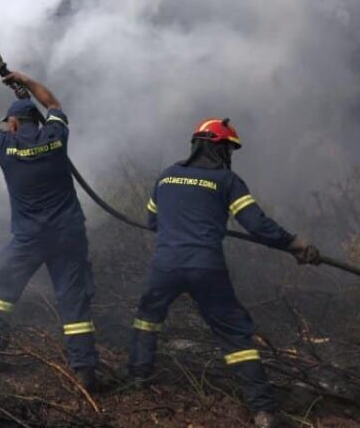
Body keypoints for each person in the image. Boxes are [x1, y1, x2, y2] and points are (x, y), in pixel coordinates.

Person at [128, 118, 320, 428]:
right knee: (235, 335)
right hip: (206, 267)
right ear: (218, 147)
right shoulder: (227, 180)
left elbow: (152, 222)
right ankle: (264, 412)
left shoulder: (166, 177)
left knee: (147, 318)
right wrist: (296, 244)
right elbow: (257, 225)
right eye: (228, 148)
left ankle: (138, 377)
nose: (229, 155)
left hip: (165, 266)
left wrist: (184, 222)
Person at [0, 63, 98, 389]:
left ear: (12, 123)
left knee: (2, 292)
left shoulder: (6, 144)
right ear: (36, 121)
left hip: (29, 238)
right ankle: (86, 370)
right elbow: (54, 105)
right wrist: (25, 80)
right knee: (74, 299)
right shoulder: (55, 135)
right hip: (68, 234)